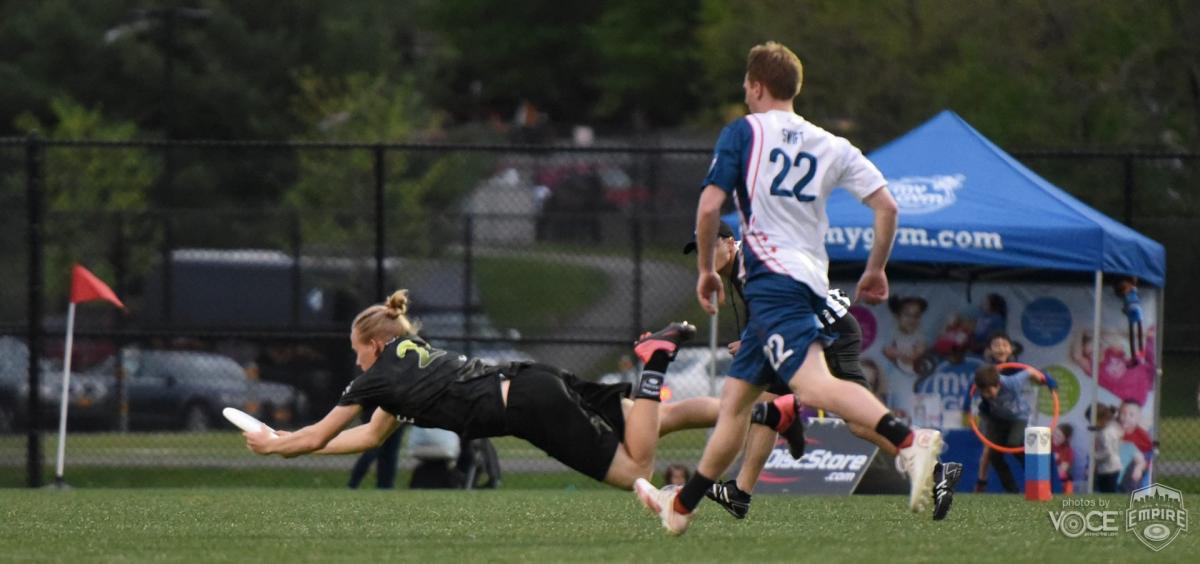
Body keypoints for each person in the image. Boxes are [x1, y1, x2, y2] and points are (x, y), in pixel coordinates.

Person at [634, 41, 946, 536]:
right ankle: (683, 507)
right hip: (804, 280)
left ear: (757, 86)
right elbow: (887, 207)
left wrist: (705, 271)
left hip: (774, 282)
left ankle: (909, 441)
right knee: (736, 404)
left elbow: (710, 207)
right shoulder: (832, 143)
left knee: (813, 386)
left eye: (745, 84)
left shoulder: (744, 131)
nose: (745, 92)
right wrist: (876, 269)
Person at [243, 289, 720, 491]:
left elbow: (320, 434)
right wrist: (293, 442)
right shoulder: (411, 353)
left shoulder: (378, 376)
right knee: (657, 418)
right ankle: (752, 407)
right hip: (535, 378)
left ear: (375, 344)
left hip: (529, 406)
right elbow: (370, 436)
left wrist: (277, 445)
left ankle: (656, 361)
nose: (356, 362)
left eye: (357, 352)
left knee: (636, 468)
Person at [684, 222, 960, 521]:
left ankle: (933, 466)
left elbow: (785, 301)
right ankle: (740, 493)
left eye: (710, 247)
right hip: (803, 332)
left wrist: (752, 341)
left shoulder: (750, 264)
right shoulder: (742, 264)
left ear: (728, 242)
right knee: (767, 406)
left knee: (857, 422)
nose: (704, 258)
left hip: (829, 331)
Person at [972, 363, 1058, 493]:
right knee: (994, 456)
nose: (987, 395)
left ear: (998, 385)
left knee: (1014, 443)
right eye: (983, 393)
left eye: (989, 391)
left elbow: (1029, 371)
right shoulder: (982, 385)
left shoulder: (1012, 382)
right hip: (998, 419)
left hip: (1019, 418)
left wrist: (1046, 379)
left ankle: (1035, 477)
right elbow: (976, 393)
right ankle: (1012, 490)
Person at [970, 332, 1019, 492]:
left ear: (1011, 349)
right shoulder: (984, 370)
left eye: (1004, 345)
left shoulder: (1017, 369)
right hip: (992, 416)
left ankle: (1037, 483)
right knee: (990, 451)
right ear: (989, 350)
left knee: (1020, 448)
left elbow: (1033, 376)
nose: (1001, 348)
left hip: (1013, 416)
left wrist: (1045, 379)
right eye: (996, 345)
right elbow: (973, 390)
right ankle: (983, 482)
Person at [346, 412, 404, 489]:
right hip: (378, 415)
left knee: (389, 453)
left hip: (395, 416)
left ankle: (385, 486)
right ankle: (353, 483)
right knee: (373, 450)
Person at [1052, 423, 1075, 494]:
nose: (1055, 437)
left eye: (1059, 436)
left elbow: (1061, 471)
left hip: (1059, 481)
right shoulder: (1046, 445)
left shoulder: (1068, 451)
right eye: (1055, 434)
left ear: (1065, 439)